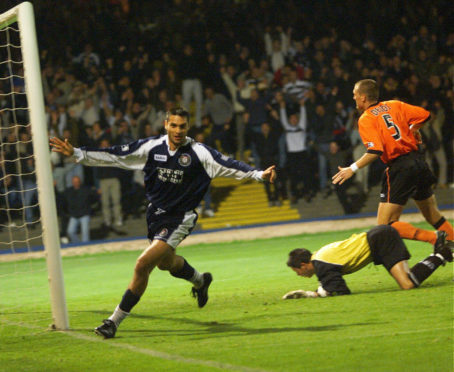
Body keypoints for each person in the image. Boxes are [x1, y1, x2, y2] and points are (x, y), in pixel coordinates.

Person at [50, 107, 277, 339]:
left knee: (142, 265)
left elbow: (231, 165)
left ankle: (113, 321)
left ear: (187, 127)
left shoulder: (200, 153)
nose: (178, 130)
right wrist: (78, 153)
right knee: (165, 264)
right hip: (155, 215)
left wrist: (258, 174)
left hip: (180, 218)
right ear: (166, 124)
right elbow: (116, 154)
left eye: (183, 126)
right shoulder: (151, 147)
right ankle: (200, 280)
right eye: (174, 125)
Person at [332, 79, 453, 244]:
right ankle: (451, 239)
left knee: (385, 226)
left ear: (363, 97)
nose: (353, 98)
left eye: (355, 95)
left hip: (400, 167)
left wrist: (351, 168)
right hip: (419, 162)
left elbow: (375, 151)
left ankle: (435, 238)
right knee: (433, 215)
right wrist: (413, 129)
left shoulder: (366, 118)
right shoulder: (395, 105)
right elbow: (426, 115)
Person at [283, 225, 452, 299]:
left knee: (407, 284)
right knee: (407, 282)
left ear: (303, 265)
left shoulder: (320, 263)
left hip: (380, 240)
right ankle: (441, 254)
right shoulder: (320, 257)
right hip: (378, 238)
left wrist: (310, 294)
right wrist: (315, 293)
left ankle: (442, 254)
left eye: (296, 271)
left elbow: (340, 290)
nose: (299, 275)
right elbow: (331, 286)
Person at [64, 175, 93, 243]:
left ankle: (86, 247)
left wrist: (89, 210)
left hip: (84, 214)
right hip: (74, 215)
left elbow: (92, 199)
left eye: (77, 182)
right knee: (70, 231)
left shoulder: (86, 190)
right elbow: (65, 202)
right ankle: (77, 244)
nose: (76, 183)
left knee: (85, 233)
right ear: (72, 182)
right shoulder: (69, 191)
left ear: (80, 182)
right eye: (74, 182)